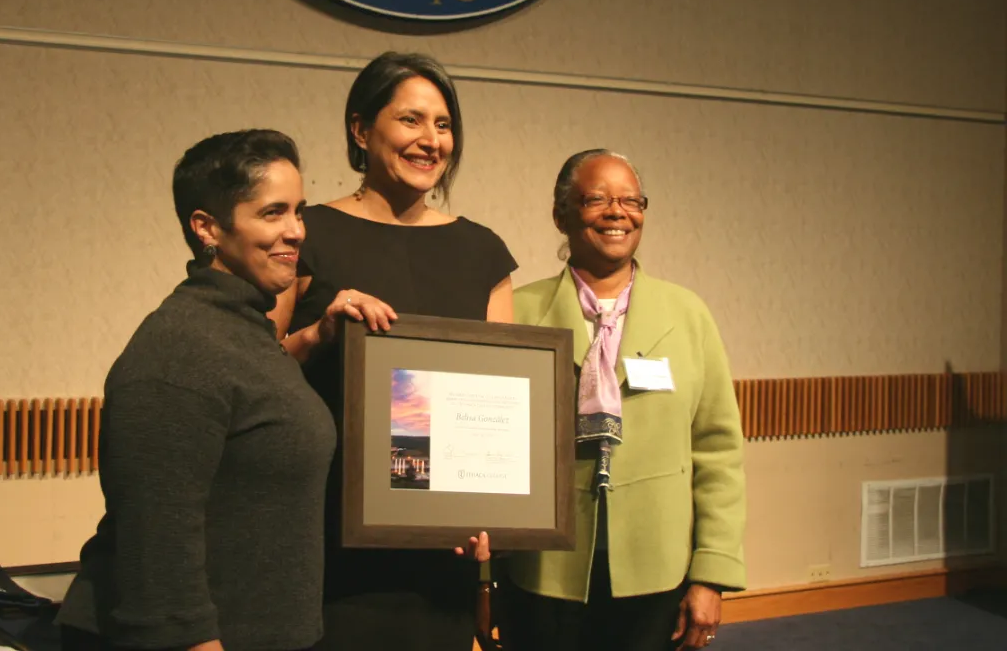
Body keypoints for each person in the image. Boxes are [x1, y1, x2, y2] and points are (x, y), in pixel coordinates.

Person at [269, 52, 516, 651]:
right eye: (411, 120)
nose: (430, 140)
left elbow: (500, 403)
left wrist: (496, 512)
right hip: (318, 537)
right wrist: (319, 334)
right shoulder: (307, 234)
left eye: (443, 124)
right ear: (361, 130)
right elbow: (253, 372)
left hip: (438, 551)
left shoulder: (481, 251)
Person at [57, 130, 336, 651]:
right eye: (272, 213)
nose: (296, 231)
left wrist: (320, 337)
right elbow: (158, 542)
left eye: (298, 211)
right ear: (207, 227)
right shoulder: (178, 348)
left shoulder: (245, 330)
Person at [499, 149, 746, 651]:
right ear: (560, 214)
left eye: (632, 200)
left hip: (657, 569)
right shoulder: (517, 312)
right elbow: (489, 450)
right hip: (543, 568)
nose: (618, 212)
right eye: (597, 199)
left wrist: (711, 575)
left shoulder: (688, 314)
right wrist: (484, 577)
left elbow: (718, 453)